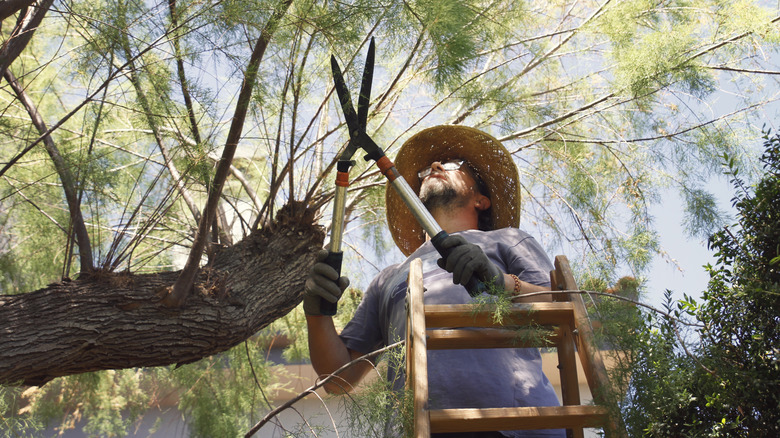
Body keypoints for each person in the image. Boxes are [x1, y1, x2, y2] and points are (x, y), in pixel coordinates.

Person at [304, 125, 565, 438]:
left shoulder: (508, 240)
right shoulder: (389, 277)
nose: (437, 166)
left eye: (452, 165)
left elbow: (562, 313)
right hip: (418, 430)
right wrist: (318, 316)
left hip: (517, 426)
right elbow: (337, 379)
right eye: (428, 168)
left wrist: (504, 283)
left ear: (482, 200)